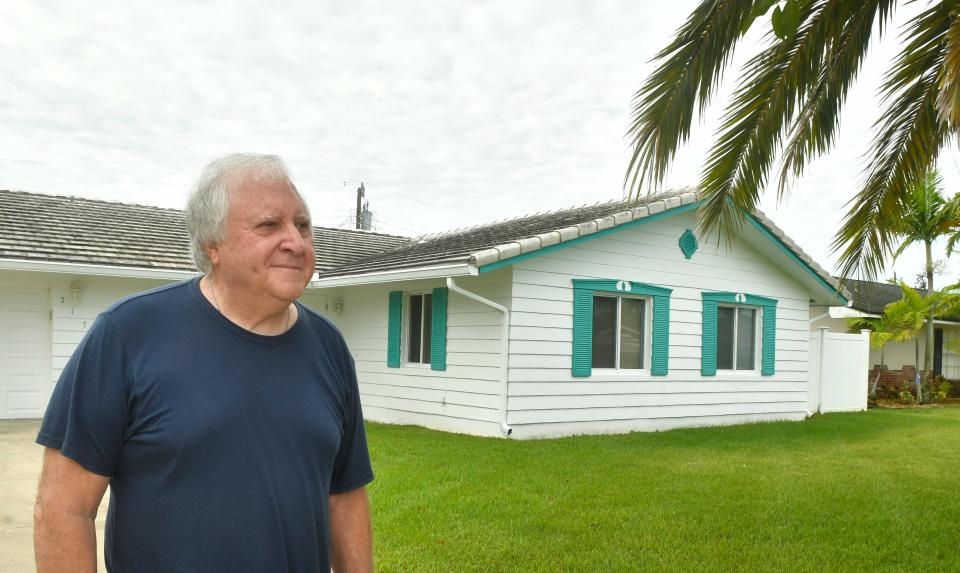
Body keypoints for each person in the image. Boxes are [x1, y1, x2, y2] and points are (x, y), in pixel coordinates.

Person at [33, 154, 374, 572]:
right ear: (213, 244)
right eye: (270, 225)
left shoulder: (329, 347)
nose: (296, 242)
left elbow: (345, 494)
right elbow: (63, 508)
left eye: (302, 225)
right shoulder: (128, 335)